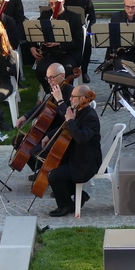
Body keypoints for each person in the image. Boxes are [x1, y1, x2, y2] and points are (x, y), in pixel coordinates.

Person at [47, 85, 101, 217]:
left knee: (54, 176)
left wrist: (70, 120)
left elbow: (82, 138)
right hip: (78, 157)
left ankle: (66, 205)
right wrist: (49, 136)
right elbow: (67, 127)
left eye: (72, 97)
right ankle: (80, 196)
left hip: (86, 162)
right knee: (56, 168)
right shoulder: (79, 110)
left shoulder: (90, 117)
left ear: (82, 98)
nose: (70, 99)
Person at [14, 63, 73, 180]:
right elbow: (41, 107)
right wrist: (25, 116)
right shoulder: (55, 90)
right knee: (18, 142)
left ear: (62, 75)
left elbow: (69, 118)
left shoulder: (70, 93)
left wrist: (60, 100)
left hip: (59, 133)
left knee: (35, 151)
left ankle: (51, 175)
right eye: (47, 78)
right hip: (47, 131)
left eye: (52, 77)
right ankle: (41, 170)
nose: (49, 81)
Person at [30, 0, 83, 94]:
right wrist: (32, 47)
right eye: (51, 4)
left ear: (63, 1)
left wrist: (59, 43)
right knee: (40, 70)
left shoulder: (74, 18)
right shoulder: (46, 15)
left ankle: (66, 95)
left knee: (67, 71)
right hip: (52, 54)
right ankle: (51, 93)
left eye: (56, 3)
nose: (54, 6)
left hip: (69, 54)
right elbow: (34, 32)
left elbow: (78, 42)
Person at [62, 0, 96, 83]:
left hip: (79, 31)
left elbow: (92, 19)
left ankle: (84, 71)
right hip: (63, 29)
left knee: (87, 44)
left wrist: (88, 32)